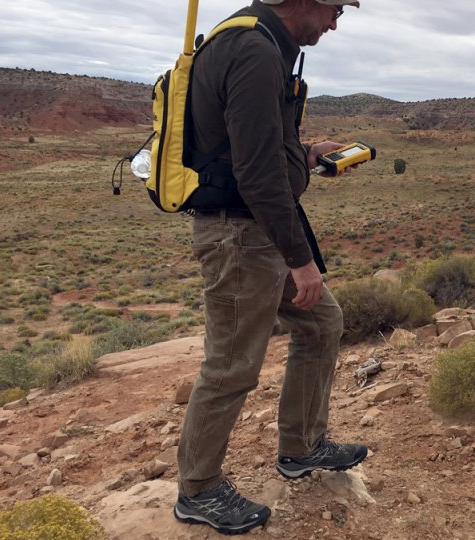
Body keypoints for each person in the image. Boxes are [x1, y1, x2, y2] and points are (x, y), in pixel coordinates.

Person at [171, 0, 366, 535]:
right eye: (333, 10)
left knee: (322, 323)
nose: (334, 22)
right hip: (242, 236)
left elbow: (248, 147)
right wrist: (300, 261)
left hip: (257, 229)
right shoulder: (254, 49)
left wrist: (304, 153)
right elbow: (255, 174)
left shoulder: (258, 43)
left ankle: (301, 447)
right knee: (232, 366)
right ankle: (199, 490)